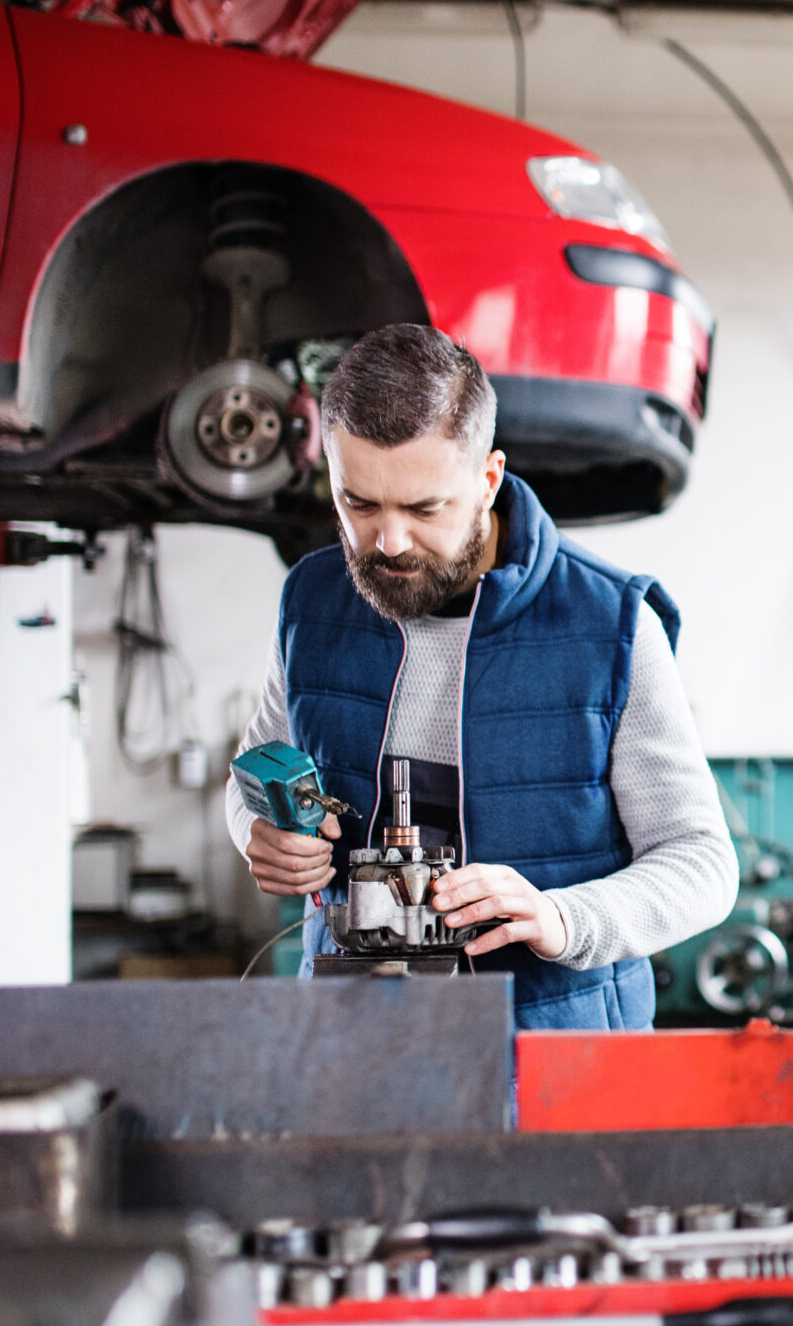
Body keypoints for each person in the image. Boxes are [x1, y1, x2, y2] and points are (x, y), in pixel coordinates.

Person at [226, 323, 735, 1028]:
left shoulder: (611, 624)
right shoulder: (312, 602)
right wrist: (261, 830)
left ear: (488, 479)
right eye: (359, 504)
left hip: (556, 1060)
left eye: (424, 508)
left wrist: (564, 916)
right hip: (353, 1044)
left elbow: (702, 862)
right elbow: (252, 772)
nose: (389, 542)